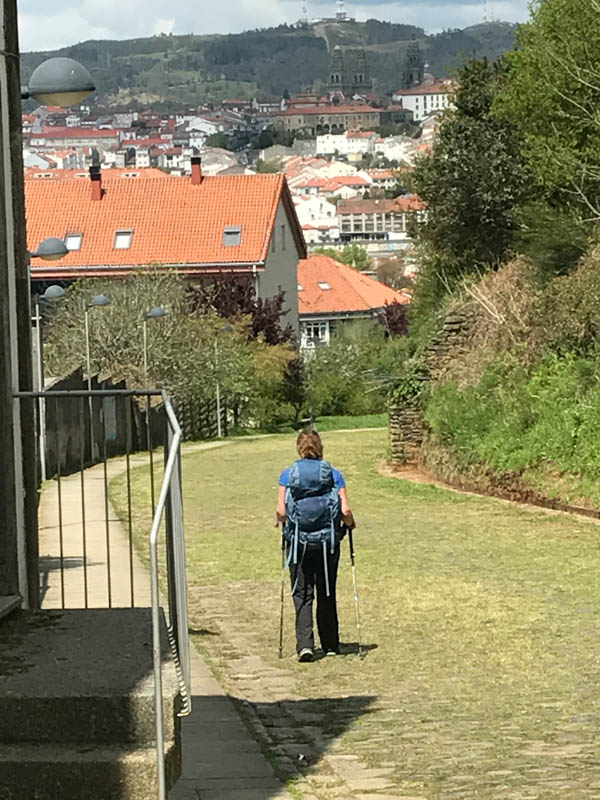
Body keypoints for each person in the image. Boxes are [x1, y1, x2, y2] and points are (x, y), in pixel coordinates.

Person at [277, 430, 355, 662]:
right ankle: (330, 644)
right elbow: (345, 511)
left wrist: (283, 522)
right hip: (327, 544)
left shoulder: (288, 475)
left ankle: (305, 645)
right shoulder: (334, 475)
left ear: (299, 449)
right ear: (320, 447)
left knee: (302, 593)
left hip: (298, 544)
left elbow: (281, 511)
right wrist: (350, 525)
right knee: (326, 591)